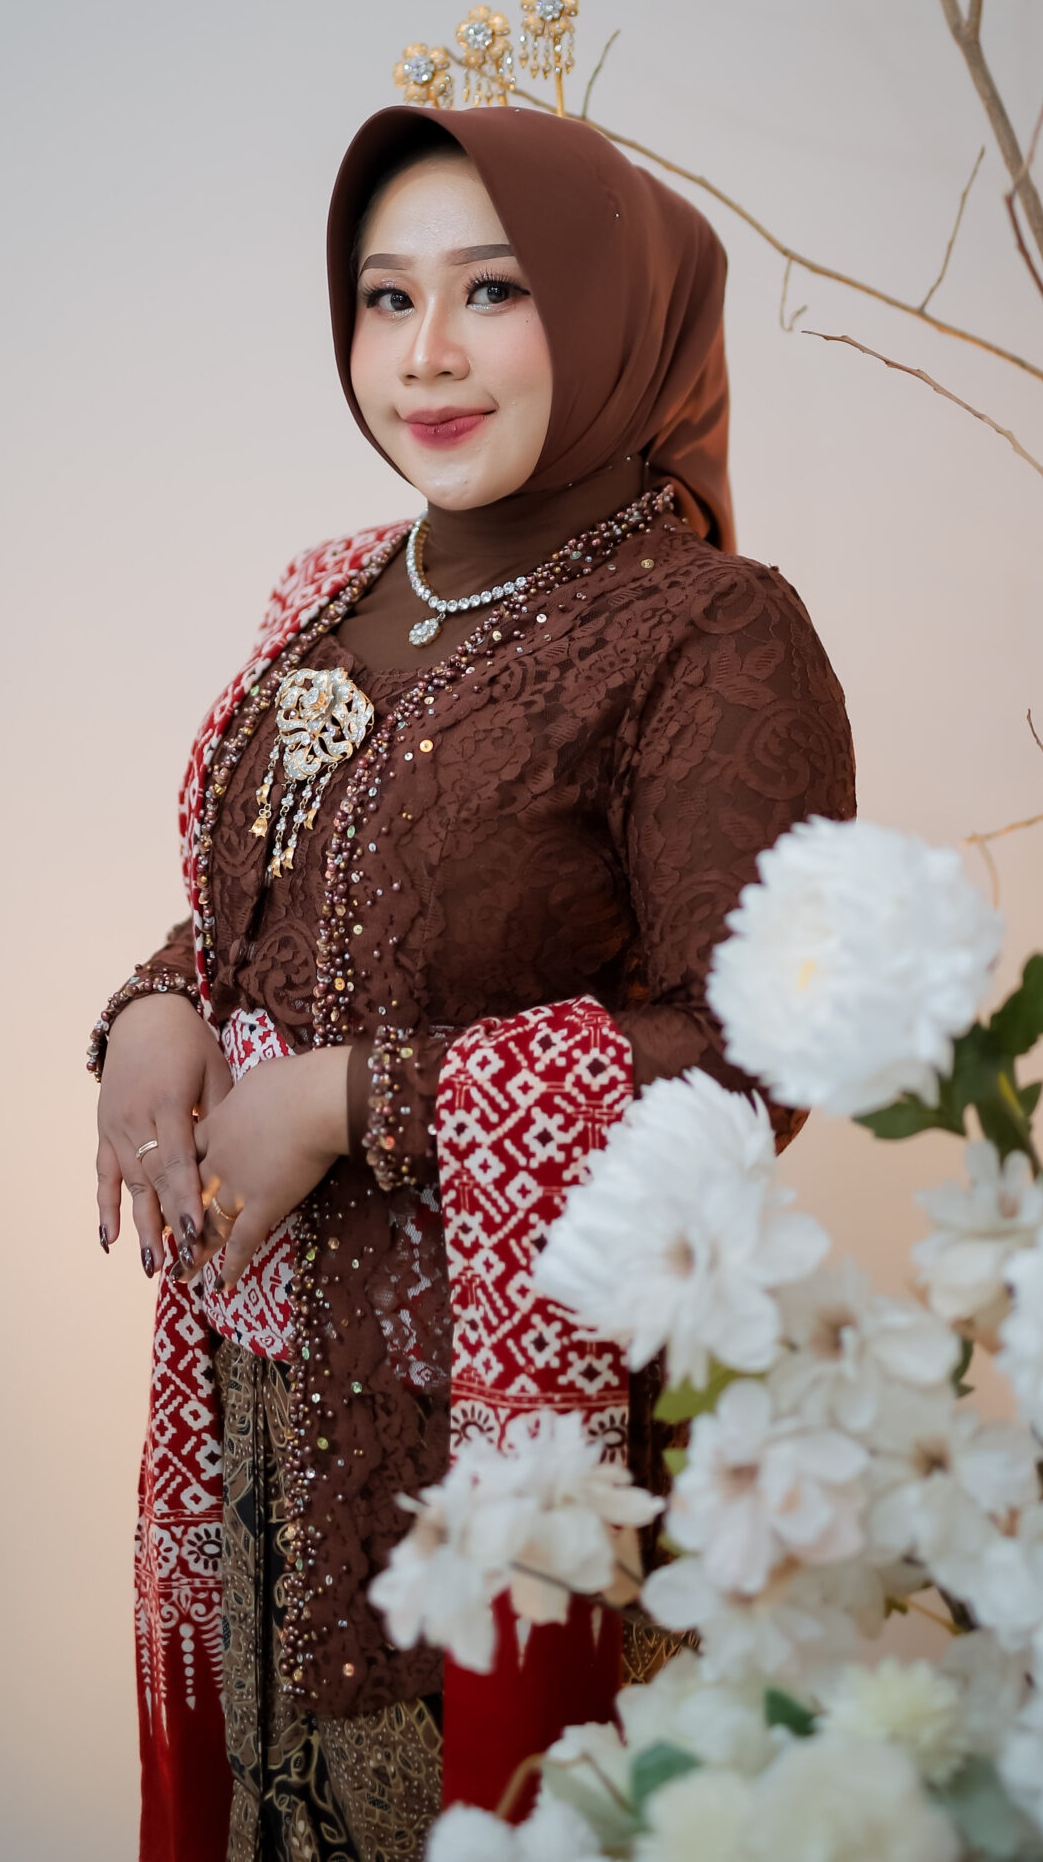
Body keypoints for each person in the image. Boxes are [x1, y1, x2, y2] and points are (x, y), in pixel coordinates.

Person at [90, 102, 855, 1862]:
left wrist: (350, 1102)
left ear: (613, 314)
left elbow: (755, 1058)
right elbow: (269, 916)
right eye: (386, 297)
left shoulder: (706, 632)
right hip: (262, 1432)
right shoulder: (329, 593)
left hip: (513, 1461)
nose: (425, 355)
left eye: (493, 290)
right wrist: (154, 1009)